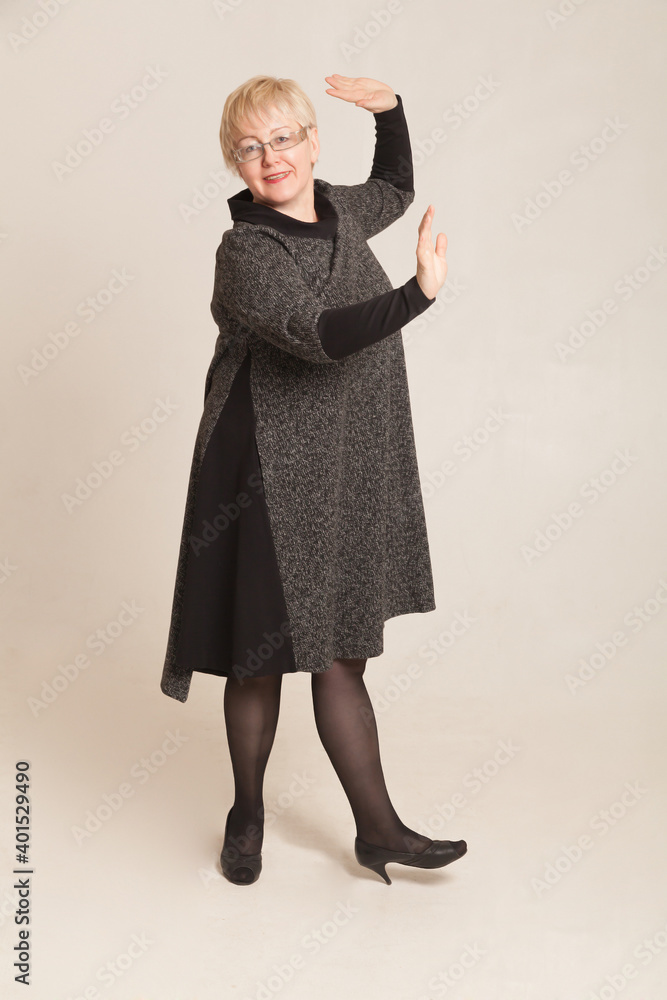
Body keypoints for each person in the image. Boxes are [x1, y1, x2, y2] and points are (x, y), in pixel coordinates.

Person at [160, 73, 467, 885]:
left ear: (310, 140)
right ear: (237, 162)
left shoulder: (340, 210)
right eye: (251, 148)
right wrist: (415, 296)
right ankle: (247, 813)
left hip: (339, 461)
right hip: (260, 465)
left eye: (284, 138)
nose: (271, 159)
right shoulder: (246, 251)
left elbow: (396, 185)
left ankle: (377, 830)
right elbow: (316, 336)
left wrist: (392, 110)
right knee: (260, 657)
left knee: (337, 651)